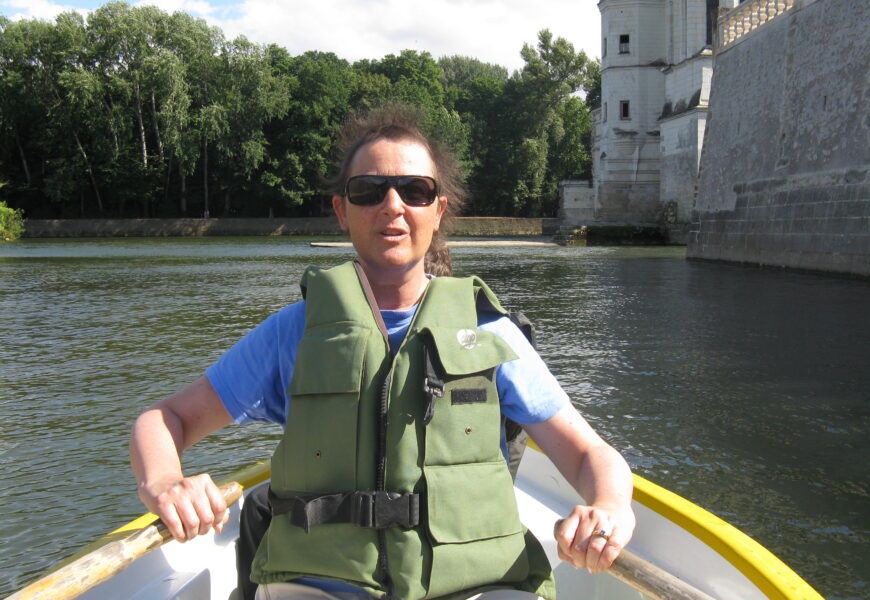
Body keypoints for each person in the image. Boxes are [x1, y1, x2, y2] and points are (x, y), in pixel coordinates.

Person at [129, 104, 635, 600]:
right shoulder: (293, 334)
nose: (393, 205)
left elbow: (590, 453)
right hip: (316, 588)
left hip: (474, 589)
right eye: (369, 191)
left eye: (415, 190)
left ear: (438, 211)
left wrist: (610, 506)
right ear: (341, 211)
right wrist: (167, 481)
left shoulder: (489, 331)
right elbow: (165, 417)